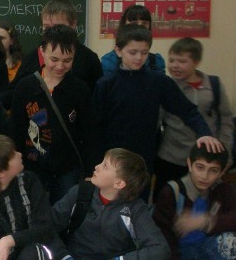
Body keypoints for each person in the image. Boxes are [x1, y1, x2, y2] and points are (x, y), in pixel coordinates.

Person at [93, 24, 222, 180]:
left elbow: (187, 110)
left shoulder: (158, 81)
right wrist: (93, 164)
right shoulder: (106, 84)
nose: (139, 58)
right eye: (133, 52)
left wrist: (204, 133)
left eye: (144, 52)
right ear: (118, 51)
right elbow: (95, 127)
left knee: (140, 193)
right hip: (112, 159)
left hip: (143, 158)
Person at [9, 25, 95, 203]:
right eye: (54, 59)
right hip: (32, 166)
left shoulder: (80, 90)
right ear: (42, 52)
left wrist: (89, 172)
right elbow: (16, 130)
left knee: (63, 212)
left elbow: (89, 134)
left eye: (68, 60)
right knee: (32, 210)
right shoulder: (25, 86)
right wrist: (14, 164)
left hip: (67, 168)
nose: (60, 66)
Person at [155, 37, 234, 193]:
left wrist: (225, 153)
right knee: (167, 198)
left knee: (202, 200)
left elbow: (226, 120)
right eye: (171, 60)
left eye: (182, 61)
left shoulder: (214, 85)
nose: (175, 66)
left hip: (207, 158)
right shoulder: (166, 86)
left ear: (196, 62)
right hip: (171, 156)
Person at [1, 0, 102, 108]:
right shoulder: (32, 58)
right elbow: (13, 93)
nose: (52, 33)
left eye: (58, 27)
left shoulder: (89, 59)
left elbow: (98, 100)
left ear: (73, 24)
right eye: (47, 28)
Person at [101, 4, 166, 75]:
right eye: (134, 23)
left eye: (144, 23)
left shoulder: (155, 62)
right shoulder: (109, 61)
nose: (139, 26)